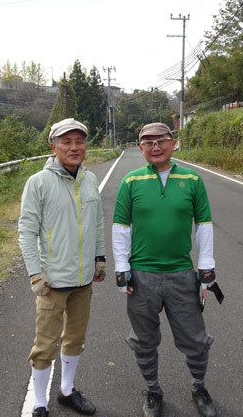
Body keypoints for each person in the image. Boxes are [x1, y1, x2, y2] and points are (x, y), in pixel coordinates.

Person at [112, 122, 219, 417]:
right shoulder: (130, 181)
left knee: (196, 340)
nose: (155, 147)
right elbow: (120, 227)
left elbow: (204, 224)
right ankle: (153, 390)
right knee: (144, 340)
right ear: (140, 147)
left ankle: (199, 386)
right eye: (148, 142)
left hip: (182, 274)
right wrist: (121, 268)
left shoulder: (193, 179)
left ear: (174, 143)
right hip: (141, 276)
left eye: (161, 141)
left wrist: (206, 266)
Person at [19, 118, 106, 417]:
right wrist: (35, 272)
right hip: (52, 281)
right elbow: (27, 231)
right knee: (45, 344)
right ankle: (40, 402)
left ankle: (67, 391)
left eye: (79, 141)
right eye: (66, 142)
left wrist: (100, 257)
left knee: (75, 338)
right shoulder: (38, 183)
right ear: (53, 145)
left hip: (83, 280)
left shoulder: (90, 180)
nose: (73, 147)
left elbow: (97, 222)